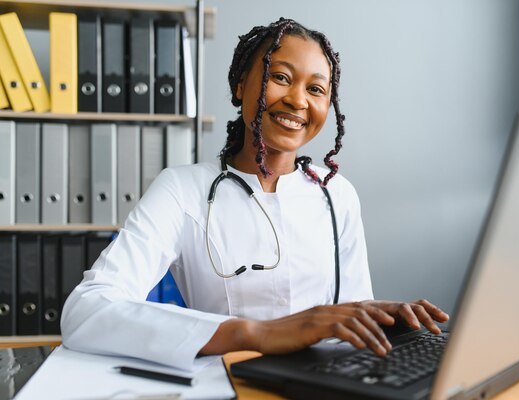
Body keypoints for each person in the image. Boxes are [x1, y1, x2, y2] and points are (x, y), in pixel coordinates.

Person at [61, 18, 449, 371]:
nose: (298, 100)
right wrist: (255, 333)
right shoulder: (181, 190)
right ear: (240, 85)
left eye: (316, 89)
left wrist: (383, 320)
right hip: (232, 382)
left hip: (325, 386)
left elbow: (353, 317)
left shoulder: (338, 195)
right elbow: (86, 311)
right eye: (280, 77)